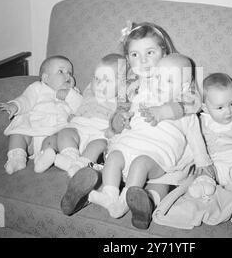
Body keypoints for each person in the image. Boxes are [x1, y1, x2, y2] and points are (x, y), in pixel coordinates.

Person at [60, 22, 206, 228]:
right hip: (131, 142)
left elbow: (194, 103)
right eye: (135, 55)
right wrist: (117, 121)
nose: (143, 60)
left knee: (151, 176)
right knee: (115, 159)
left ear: (164, 52)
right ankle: (108, 196)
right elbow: (117, 117)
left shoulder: (178, 78)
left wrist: (163, 111)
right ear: (128, 59)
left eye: (150, 52)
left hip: (161, 152)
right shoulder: (130, 87)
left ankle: (129, 203)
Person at [88, 54, 215, 227]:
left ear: (184, 86)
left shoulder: (186, 111)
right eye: (157, 77)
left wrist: (204, 164)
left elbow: (196, 139)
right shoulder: (142, 97)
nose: (161, 83)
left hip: (156, 156)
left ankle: (123, 203)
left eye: (169, 81)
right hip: (129, 146)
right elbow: (126, 114)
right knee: (114, 156)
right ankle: (109, 196)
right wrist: (123, 118)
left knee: (140, 164)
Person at [0, 55, 83, 174]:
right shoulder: (37, 88)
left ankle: (43, 159)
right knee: (17, 134)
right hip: (32, 132)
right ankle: (16, 158)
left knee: (56, 140)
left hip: (53, 132)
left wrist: (69, 96)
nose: (68, 75)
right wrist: (15, 106)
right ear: (45, 78)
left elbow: (82, 107)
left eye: (70, 72)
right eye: (61, 71)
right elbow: (26, 99)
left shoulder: (73, 92)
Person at [53, 53, 126, 177]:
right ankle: (69, 157)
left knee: (99, 145)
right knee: (65, 133)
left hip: (100, 131)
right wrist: (75, 115)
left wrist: (114, 129)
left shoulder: (121, 99)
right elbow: (80, 102)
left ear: (122, 85)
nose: (99, 84)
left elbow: (123, 118)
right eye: (96, 78)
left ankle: (81, 165)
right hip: (80, 125)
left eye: (107, 80)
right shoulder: (89, 91)